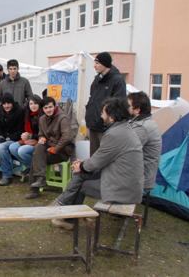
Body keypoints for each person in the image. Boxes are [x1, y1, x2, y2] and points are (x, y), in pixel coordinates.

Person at [51, 98, 143, 230]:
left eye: (103, 113)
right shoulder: (124, 129)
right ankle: (65, 209)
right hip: (127, 183)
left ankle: (65, 212)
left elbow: (96, 162)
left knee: (81, 179)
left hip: (123, 190)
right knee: (81, 173)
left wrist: (81, 165)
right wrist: (83, 164)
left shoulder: (115, 134)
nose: (101, 115)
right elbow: (101, 158)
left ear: (111, 117)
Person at [25, 97, 74, 199]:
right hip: (49, 147)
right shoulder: (42, 119)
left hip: (62, 150)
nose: (48, 110)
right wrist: (41, 137)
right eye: (46, 108)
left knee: (36, 158)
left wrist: (56, 148)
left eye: (50, 107)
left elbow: (67, 137)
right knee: (38, 149)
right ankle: (40, 180)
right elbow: (41, 133)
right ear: (42, 109)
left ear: (55, 106)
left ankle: (35, 189)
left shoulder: (62, 118)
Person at [85, 52, 126, 155]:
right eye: (94, 63)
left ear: (105, 64)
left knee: (105, 157)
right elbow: (92, 99)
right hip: (93, 124)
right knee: (94, 157)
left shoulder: (117, 80)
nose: (94, 66)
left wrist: (106, 121)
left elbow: (118, 104)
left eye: (97, 63)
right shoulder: (97, 79)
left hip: (105, 127)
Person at [127, 92, 162, 191]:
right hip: (135, 174)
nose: (124, 108)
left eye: (128, 106)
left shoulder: (143, 127)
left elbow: (124, 150)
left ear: (137, 110)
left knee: (86, 180)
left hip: (139, 179)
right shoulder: (140, 122)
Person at [8, 95, 42, 178]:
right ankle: (31, 167)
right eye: (31, 104)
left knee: (22, 151)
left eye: (35, 103)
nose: (33, 106)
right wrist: (24, 135)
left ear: (39, 104)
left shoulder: (42, 115)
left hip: (39, 141)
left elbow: (43, 133)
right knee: (12, 147)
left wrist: (30, 136)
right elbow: (24, 129)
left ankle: (34, 169)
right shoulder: (27, 114)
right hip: (29, 139)